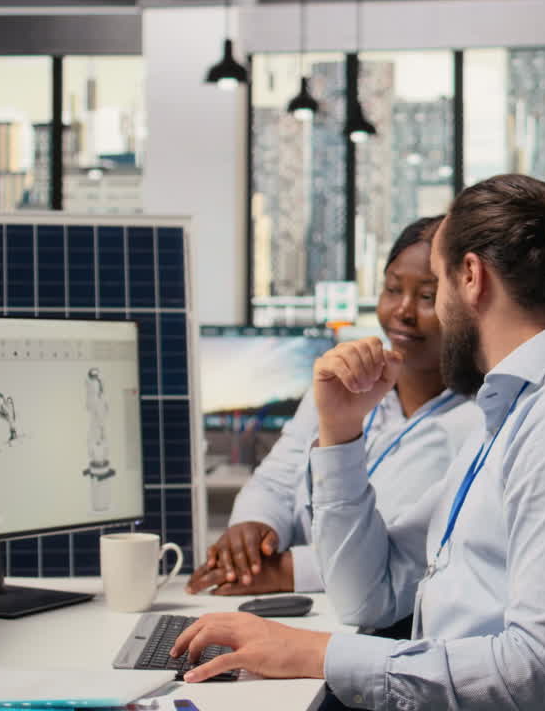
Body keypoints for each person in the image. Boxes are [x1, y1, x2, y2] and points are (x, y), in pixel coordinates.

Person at [170, 174, 545, 711]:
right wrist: (342, 435)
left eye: (435, 285)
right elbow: (366, 596)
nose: (429, 309)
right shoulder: (511, 413)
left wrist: (318, 654)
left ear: (470, 277)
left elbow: (539, 679)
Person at [187, 216, 481, 603]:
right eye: (392, 289)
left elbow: (410, 549)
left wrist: (288, 571)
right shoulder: (344, 384)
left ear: (463, 304)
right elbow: (277, 477)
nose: (402, 311)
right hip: (307, 610)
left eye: (427, 297)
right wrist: (254, 528)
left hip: (377, 621)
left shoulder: (477, 421)